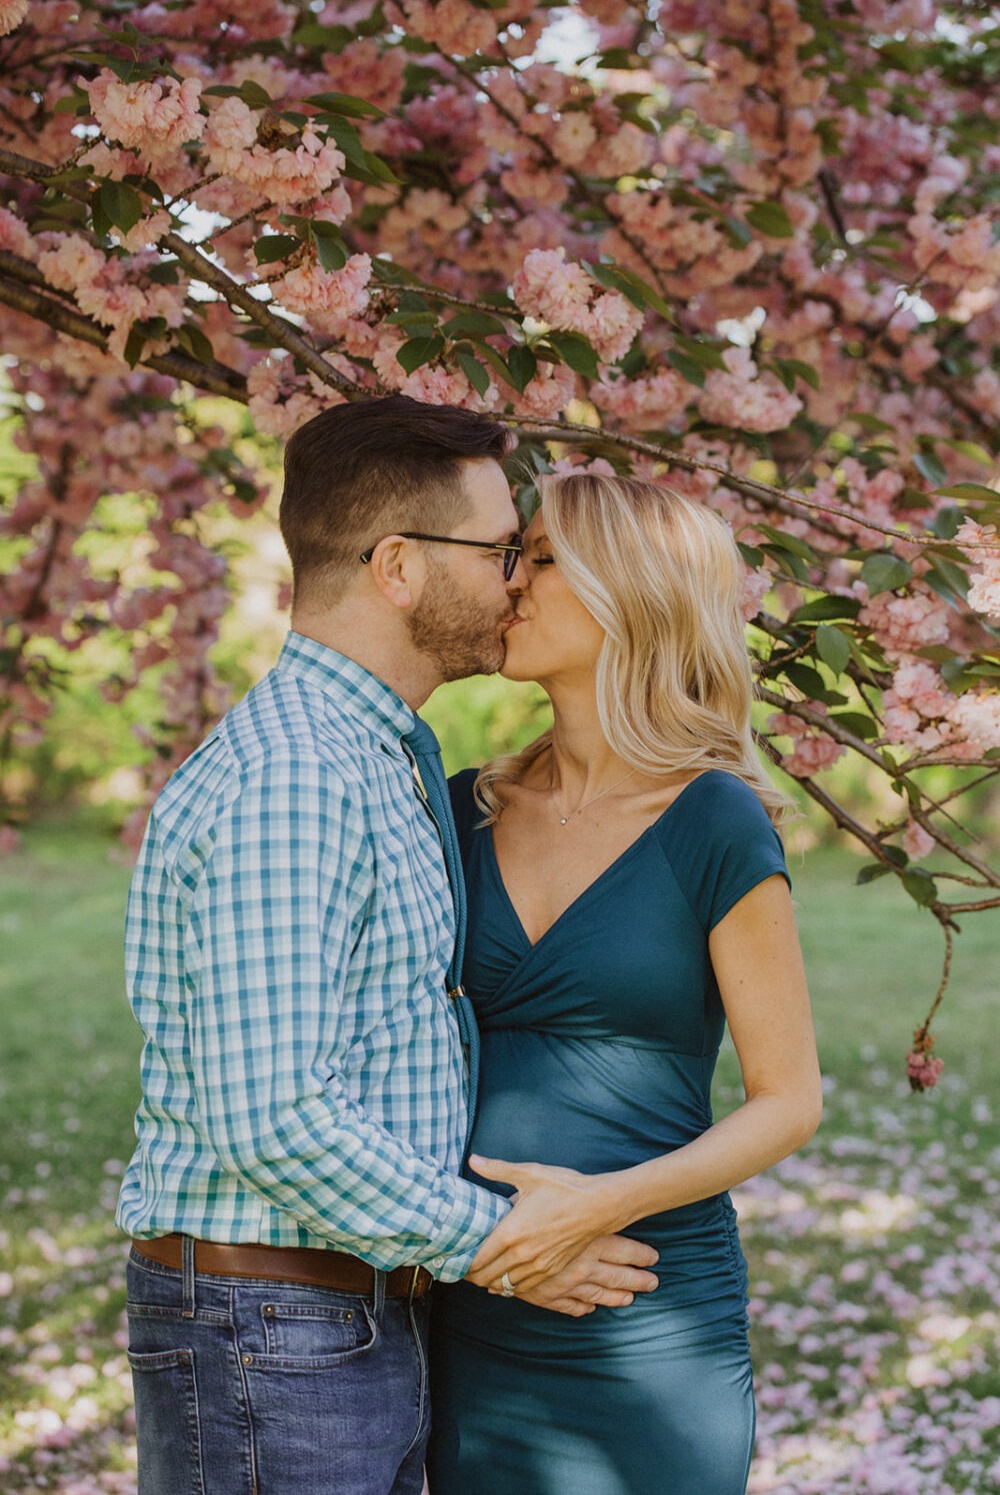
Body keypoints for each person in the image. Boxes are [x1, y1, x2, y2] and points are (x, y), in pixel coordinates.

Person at [116, 399, 658, 1495]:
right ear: (399, 567)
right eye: (502, 548)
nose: (518, 577)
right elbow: (273, 1116)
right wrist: (500, 1244)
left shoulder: (380, 758)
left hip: (334, 1316)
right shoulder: (298, 777)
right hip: (275, 1329)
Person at [428, 471, 823, 1495]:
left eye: (544, 559)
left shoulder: (714, 819)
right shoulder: (461, 808)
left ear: (630, 594)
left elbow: (788, 1101)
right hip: (473, 1302)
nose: (509, 582)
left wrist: (594, 1207)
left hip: (643, 1312)